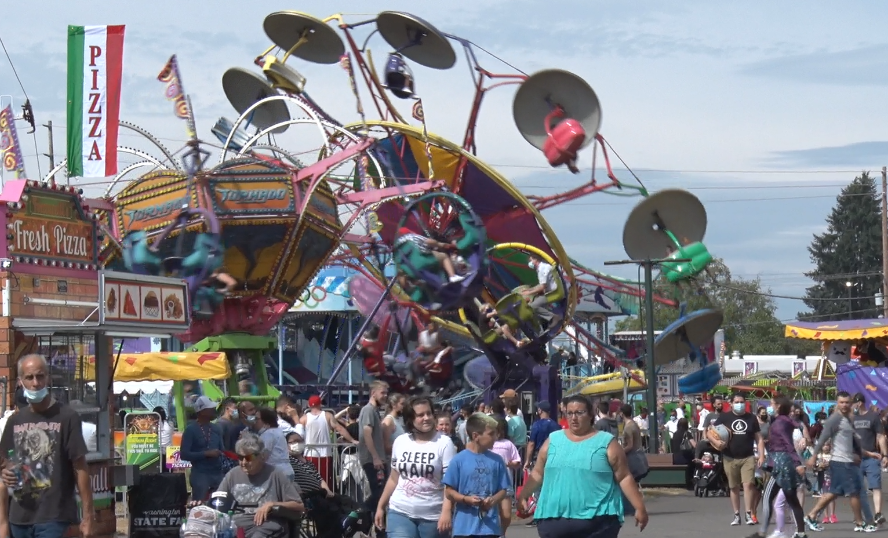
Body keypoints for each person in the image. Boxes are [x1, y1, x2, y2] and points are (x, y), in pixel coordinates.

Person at [517, 395, 648, 538]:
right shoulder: (553, 440)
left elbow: (624, 477)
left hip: (598, 523)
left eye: (580, 413)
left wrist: (639, 507)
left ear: (591, 414)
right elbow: (538, 473)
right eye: (569, 413)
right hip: (553, 520)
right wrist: (524, 495)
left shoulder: (606, 443)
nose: (574, 418)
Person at [0, 354, 94, 538]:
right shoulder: (15, 420)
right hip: (19, 518)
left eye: (40, 376)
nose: (35, 383)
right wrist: (6, 471)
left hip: (54, 518)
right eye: (29, 377)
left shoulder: (67, 417)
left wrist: (88, 515)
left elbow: (80, 467)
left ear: (48, 378)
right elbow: (5, 461)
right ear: (21, 382)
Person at [375, 397, 456, 538]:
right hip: (399, 511)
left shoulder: (444, 443)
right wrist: (381, 506)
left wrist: (446, 511)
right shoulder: (401, 442)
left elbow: (450, 484)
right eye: (420, 415)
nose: (426, 418)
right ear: (410, 419)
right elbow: (394, 478)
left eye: (429, 413)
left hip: (432, 516)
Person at [803, 391, 876, 533]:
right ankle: (860, 523)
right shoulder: (834, 419)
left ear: (851, 403)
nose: (844, 405)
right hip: (840, 462)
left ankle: (811, 515)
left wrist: (868, 453)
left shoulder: (848, 419)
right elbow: (823, 438)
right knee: (854, 492)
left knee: (834, 492)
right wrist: (813, 456)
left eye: (847, 402)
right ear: (837, 403)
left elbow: (853, 442)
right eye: (841, 402)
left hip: (847, 461)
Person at [215, 434, 304, 538]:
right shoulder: (233, 474)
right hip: (237, 524)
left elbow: (299, 506)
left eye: (249, 457)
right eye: (240, 457)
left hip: (267, 523)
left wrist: (271, 504)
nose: (244, 462)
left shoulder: (275, 474)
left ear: (261, 456)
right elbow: (217, 501)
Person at [747, 395, 809, 538]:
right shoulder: (784, 421)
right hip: (783, 463)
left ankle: (762, 532)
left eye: (772, 403)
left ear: (778, 406)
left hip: (780, 464)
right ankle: (801, 532)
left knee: (768, 496)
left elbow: (788, 444)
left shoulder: (780, 423)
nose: (770, 406)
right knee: (792, 500)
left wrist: (797, 463)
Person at [442, 413, 512, 538]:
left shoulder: (497, 460)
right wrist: (465, 499)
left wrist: (493, 500)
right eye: (491, 434)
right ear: (476, 436)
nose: (495, 437)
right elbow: (449, 491)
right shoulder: (458, 460)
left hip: (490, 529)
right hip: (464, 528)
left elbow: (503, 490)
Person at [708, 393, 764, 526]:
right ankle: (737, 514)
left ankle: (749, 514)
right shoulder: (724, 417)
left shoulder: (751, 418)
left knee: (748, 484)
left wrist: (761, 455)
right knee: (734, 486)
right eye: (737, 402)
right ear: (731, 404)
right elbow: (710, 432)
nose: (740, 404)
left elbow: (759, 438)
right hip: (730, 457)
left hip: (748, 456)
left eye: (742, 401)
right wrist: (716, 442)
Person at [301, 395, 357, 484]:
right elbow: (340, 429)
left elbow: (297, 433)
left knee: (311, 480)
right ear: (320, 404)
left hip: (310, 453)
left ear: (309, 405)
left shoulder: (304, 418)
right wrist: (353, 440)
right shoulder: (327, 416)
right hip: (325, 453)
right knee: (325, 480)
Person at [851, 392, 888, 524]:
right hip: (856, 458)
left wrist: (885, 455)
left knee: (876, 486)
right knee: (857, 489)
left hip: (872, 457)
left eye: (853, 403)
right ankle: (859, 516)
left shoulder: (873, 417)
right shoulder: (851, 418)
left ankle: (878, 513)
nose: (852, 406)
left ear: (859, 403)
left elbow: (880, 436)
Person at [359, 381, 390, 538]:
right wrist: (376, 457)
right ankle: (359, 516)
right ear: (373, 393)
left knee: (381, 494)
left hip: (377, 460)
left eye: (386, 393)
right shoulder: (368, 410)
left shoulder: (375, 411)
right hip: (372, 460)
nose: (385, 396)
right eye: (382, 392)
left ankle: (378, 530)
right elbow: (366, 433)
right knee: (380, 493)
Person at [180, 396, 226, 501]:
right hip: (200, 474)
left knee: (220, 504)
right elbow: (184, 454)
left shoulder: (216, 428)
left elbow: (222, 449)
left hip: (218, 473)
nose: (214, 410)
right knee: (199, 506)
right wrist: (206, 454)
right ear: (202, 412)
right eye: (211, 408)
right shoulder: (190, 430)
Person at [395, 227, 466, 284]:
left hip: (411, 272)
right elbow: (429, 241)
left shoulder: (397, 250)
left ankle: (443, 282)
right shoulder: (410, 237)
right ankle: (452, 276)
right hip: (424, 261)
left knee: (436, 266)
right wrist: (439, 244)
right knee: (443, 256)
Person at [249, 407, 295, 480]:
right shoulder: (277, 431)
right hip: (286, 471)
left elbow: (263, 456)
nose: (255, 422)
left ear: (266, 421)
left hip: (277, 474)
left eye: (257, 419)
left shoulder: (268, 434)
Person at [520, 255, 561, 329]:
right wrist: (530, 289)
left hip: (553, 292)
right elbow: (541, 284)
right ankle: (546, 322)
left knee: (532, 306)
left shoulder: (542, 269)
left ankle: (554, 317)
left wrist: (529, 293)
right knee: (536, 300)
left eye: (531, 260)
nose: (530, 263)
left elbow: (543, 287)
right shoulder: (543, 267)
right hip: (551, 290)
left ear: (536, 260)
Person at [524, 402, 561, 468]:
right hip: (552, 456)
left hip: (539, 456)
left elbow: (531, 444)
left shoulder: (536, 425)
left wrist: (528, 460)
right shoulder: (556, 426)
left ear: (540, 411)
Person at [382, 394, 407, 460]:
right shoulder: (389, 421)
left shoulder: (398, 420)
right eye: (402, 404)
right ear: (394, 405)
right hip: (392, 461)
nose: (404, 407)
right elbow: (385, 446)